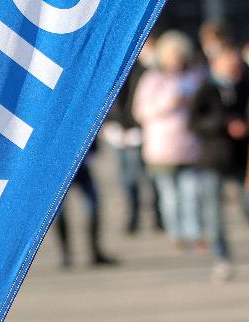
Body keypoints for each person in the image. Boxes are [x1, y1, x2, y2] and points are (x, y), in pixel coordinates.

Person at [189, 41, 249, 283]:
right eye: (229, 66)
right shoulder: (205, 89)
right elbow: (194, 122)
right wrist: (223, 124)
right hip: (213, 159)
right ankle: (222, 258)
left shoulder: (245, 86)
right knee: (214, 214)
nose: (234, 70)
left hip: (240, 158)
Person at [133, 30, 204, 251]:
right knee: (170, 196)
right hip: (162, 147)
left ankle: (194, 232)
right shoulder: (152, 80)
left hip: (190, 144)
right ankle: (176, 233)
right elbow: (140, 112)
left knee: (191, 193)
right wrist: (169, 103)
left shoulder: (194, 78)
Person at [106, 38, 161, 234]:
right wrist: (112, 124)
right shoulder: (112, 70)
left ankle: (156, 214)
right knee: (126, 178)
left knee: (144, 175)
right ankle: (134, 215)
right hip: (118, 131)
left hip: (134, 130)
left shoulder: (143, 71)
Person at [53, 143, 118, 268]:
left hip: (77, 163)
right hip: (61, 165)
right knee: (59, 210)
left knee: (92, 205)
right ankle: (67, 254)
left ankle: (92, 251)